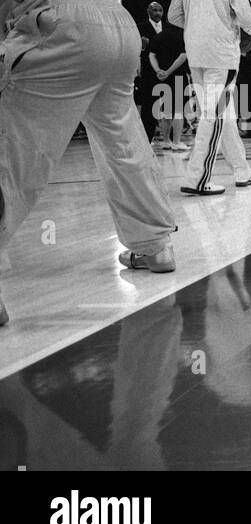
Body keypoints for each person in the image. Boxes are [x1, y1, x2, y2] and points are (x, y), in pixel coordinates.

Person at [0, 0, 182, 326]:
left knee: (14, 148)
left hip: (59, 23)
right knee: (124, 142)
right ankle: (155, 245)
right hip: (118, 24)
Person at [168, 0, 251, 196]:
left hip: (195, 51)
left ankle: (242, 171)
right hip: (221, 54)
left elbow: (173, 16)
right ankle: (198, 178)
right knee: (214, 115)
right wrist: (241, 29)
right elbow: (249, 17)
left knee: (222, 113)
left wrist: (198, 24)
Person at [147, 20, 190, 151]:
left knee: (166, 111)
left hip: (162, 79)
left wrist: (159, 71)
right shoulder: (183, 35)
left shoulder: (159, 36)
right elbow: (183, 56)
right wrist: (169, 71)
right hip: (178, 76)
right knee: (178, 111)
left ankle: (166, 141)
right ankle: (176, 141)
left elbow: (151, 55)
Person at [135, 1, 166, 141]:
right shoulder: (140, 28)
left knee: (170, 106)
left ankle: (170, 139)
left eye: (160, 10)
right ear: (148, 11)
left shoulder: (168, 27)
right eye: (154, 10)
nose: (157, 13)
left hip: (167, 71)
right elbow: (138, 51)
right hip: (148, 73)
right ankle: (146, 139)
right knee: (149, 107)